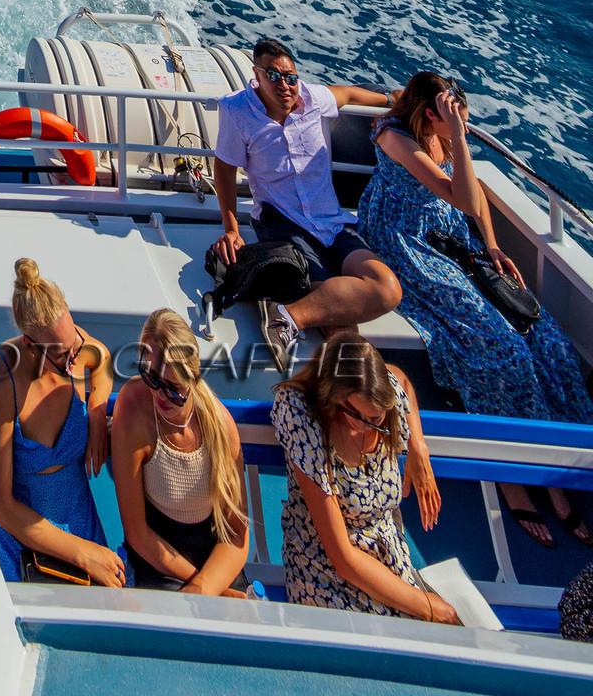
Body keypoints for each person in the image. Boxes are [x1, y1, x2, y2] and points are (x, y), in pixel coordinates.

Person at [360, 70, 593, 551]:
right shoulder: (397, 139)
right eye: (454, 114)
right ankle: (509, 473)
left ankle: (552, 469)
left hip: (452, 239)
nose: (462, 121)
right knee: (501, 349)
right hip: (410, 244)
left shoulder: (442, 137)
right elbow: (460, 195)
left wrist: (490, 248)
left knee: (546, 338)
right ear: (432, 113)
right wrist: (460, 134)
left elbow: (477, 200)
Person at [213, 36, 401, 372]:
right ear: (257, 76)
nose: (284, 85)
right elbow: (225, 170)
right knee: (338, 318)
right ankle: (356, 383)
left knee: (387, 289)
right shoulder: (238, 111)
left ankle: (286, 315)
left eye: (290, 77)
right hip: (283, 222)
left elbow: (350, 94)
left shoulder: (313, 98)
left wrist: (390, 99)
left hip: (331, 222)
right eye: (273, 76)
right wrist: (231, 229)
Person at [272, 330, 456, 621]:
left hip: (388, 566)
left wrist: (418, 446)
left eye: (379, 417)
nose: (374, 427)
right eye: (364, 419)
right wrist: (428, 607)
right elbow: (342, 559)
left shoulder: (381, 400)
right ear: (334, 396)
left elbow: (400, 379)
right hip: (327, 573)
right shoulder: (302, 416)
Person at [0, 258, 121, 587]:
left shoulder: (73, 344)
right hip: (25, 533)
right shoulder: (5, 376)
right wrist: (83, 554)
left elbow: (101, 357)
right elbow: (2, 506)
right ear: (31, 347)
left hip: (79, 514)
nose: (74, 357)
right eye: (62, 355)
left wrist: (95, 416)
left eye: (74, 342)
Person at [111, 308, 251, 596]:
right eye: (151, 378)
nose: (159, 395)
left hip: (215, 558)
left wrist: (205, 585)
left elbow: (236, 534)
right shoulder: (133, 408)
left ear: (193, 377)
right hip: (157, 557)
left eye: (173, 388)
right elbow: (137, 533)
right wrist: (202, 586)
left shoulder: (221, 428)